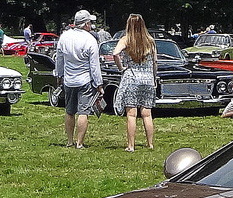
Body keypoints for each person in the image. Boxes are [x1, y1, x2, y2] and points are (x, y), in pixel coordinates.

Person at [54, 9, 103, 148]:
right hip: (85, 80)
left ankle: (70, 141)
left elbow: (60, 59)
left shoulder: (64, 37)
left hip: (69, 80)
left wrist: (60, 75)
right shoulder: (90, 39)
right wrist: (99, 84)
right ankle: (80, 143)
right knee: (83, 112)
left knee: (69, 112)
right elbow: (94, 65)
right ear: (86, 24)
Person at [113, 13, 158, 151]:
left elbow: (115, 53)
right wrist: (154, 77)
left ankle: (131, 146)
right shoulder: (150, 40)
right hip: (148, 79)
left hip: (132, 78)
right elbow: (155, 61)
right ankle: (150, 144)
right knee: (147, 113)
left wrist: (122, 68)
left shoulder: (126, 40)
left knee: (131, 114)